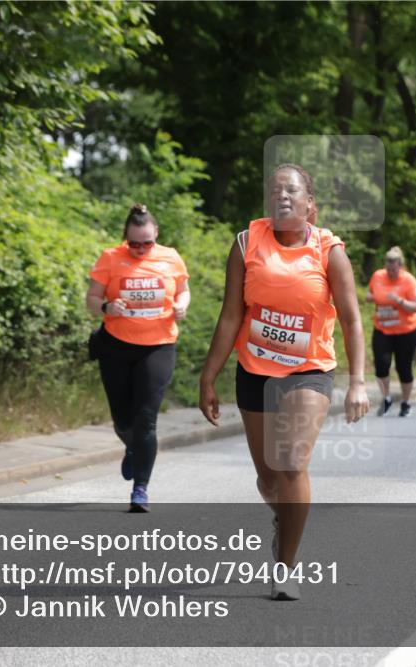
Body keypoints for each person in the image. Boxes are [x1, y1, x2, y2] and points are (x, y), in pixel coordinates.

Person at [198, 164, 369, 601]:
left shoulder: (329, 252)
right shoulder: (245, 243)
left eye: (291, 190)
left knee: (291, 462)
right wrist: (208, 376)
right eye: (274, 190)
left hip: (309, 371)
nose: (282, 196)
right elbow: (231, 315)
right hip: (255, 370)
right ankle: (284, 517)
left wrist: (358, 382)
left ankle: (285, 568)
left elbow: (351, 319)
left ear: (310, 204)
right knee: (268, 481)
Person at [86, 204, 190, 512]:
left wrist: (182, 305)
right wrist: (106, 308)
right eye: (134, 243)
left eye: (147, 242)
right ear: (125, 239)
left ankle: (140, 489)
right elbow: (92, 298)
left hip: (158, 345)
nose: (141, 249)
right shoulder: (109, 258)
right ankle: (133, 448)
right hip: (116, 346)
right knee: (122, 420)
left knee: (146, 420)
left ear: (156, 234)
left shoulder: (170, 257)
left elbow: (183, 291)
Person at [367, 247, 416, 417]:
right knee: (381, 366)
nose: (391, 272)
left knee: (403, 368)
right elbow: (371, 294)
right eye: (388, 268)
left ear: (401, 266)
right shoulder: (378, 276)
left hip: (406, 331)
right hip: (383, 329)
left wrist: (399, 301)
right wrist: (370, 298)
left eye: (394, 268)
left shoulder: (409, 281)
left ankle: (406, 402)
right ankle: (386, 398)